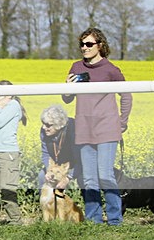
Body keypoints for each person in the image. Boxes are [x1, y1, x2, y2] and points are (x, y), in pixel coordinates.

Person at [62, 27, 132, 226]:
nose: (84, 48)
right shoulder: (76, 67)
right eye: (82, 44)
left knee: (106, 175)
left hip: (107, 129)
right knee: (90, 179)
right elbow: (67, 99)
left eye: (89, 44)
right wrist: (67, 87)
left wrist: (122, 121)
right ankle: (94, 221)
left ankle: (115, 220)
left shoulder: (111, 69)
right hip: (84, 129)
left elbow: (127, 94)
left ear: (100, 46)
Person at [0, 80, 27, 224]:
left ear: (8, 94)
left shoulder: (13, 106)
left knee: (7, 190)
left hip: (8, 154)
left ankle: (15, 220)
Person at [38, 105, 80, 190]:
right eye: (43, 123)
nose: (44, 127)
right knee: (42, 176)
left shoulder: (72, 131)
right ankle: (45, 202)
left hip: (76, 165)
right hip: (56, 166)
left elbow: (80, 160)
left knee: (83, 179)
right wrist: (48, 170)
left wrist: (68, 177)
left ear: (59, 125)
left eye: (48, 125)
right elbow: (45, 153)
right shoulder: (44, 132)